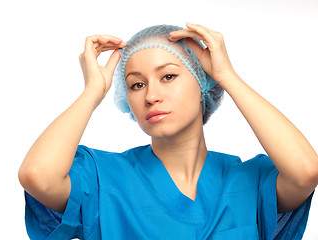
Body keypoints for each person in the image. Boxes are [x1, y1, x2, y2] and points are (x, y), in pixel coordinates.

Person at [18, 23, 318, 239]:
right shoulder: (101, 177)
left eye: (168, 76)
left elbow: (306, 171)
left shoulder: (249, 181)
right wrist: (92, 92)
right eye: (136, 84)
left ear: (204, 84)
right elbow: (36, 175)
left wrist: (227, 76)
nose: (151, 95)